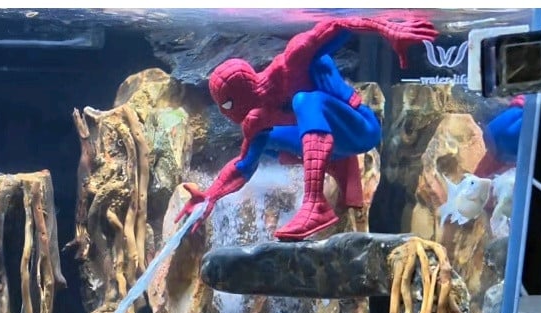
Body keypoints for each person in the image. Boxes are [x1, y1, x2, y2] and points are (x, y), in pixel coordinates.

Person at [177, 17, 438, 241]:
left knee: (305, 100)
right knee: (264, 138)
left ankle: (315, 204)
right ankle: (336, 166)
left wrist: (388, 29)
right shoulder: (257, 119)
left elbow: (338, 24)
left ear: (232, 102)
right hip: (335, 145)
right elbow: (242, 165)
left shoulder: (291, 62)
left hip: (362, 128)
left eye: (225, 106)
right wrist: (210, 196)